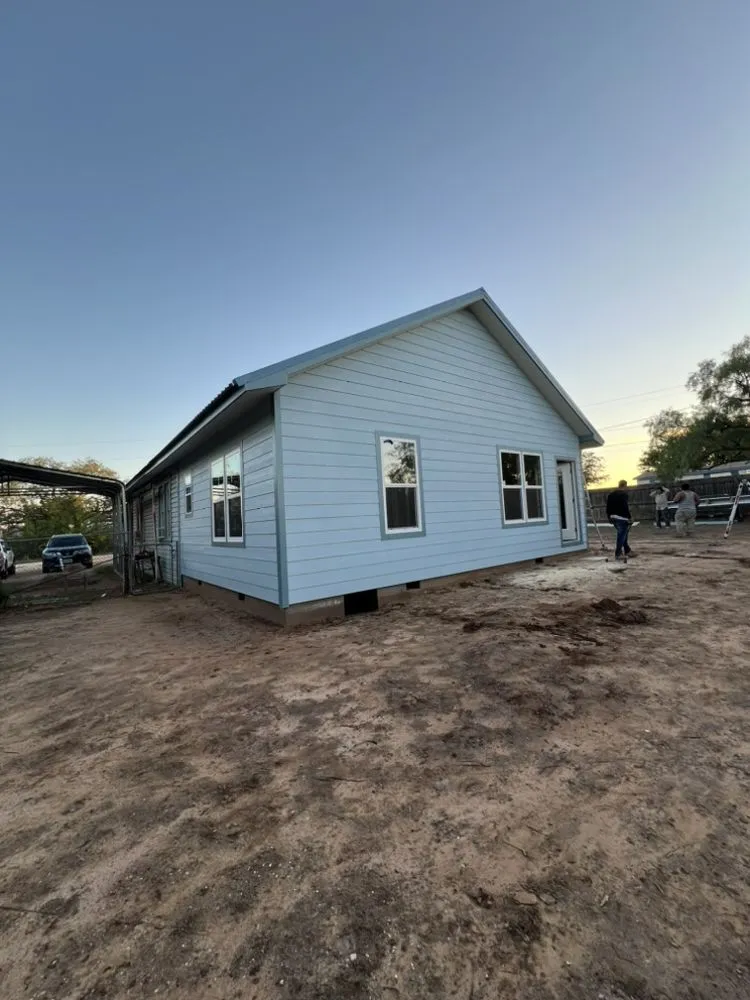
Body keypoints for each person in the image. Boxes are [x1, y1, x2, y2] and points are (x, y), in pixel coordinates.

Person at [606, 479, 634, 560]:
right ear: (625, 485)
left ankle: (627, 550)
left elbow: (608, 507)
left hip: (613, 517)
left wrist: (609, 517)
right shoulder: (624, 495)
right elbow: (625, 506)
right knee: (621, 536)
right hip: (622, 518)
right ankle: (618, 554)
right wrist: (630, 517)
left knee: (623, 535)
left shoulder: (611, 494)